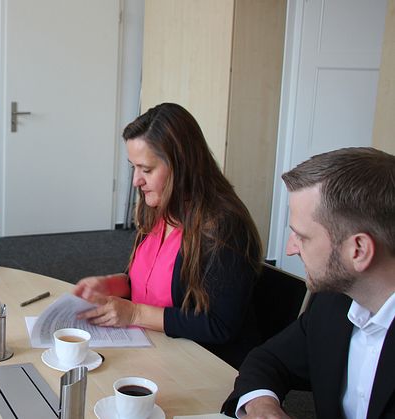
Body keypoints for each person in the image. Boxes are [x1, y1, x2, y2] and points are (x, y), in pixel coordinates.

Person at [73, 103, 262, 368]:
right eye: (133, 168)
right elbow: (150, 280)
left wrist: (135, 313)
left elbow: (220, 325)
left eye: (146, 169)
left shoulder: (224, 226)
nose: (136, 180)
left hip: (205, 363)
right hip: (156, 346)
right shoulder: (159, 208)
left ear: (181, 166)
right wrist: (114, 283)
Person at [222, 147, 395, 418]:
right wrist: (262, 404)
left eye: (302, 237)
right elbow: (269, 359)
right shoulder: (334, 303)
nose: (290, 249)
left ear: (358, 250)